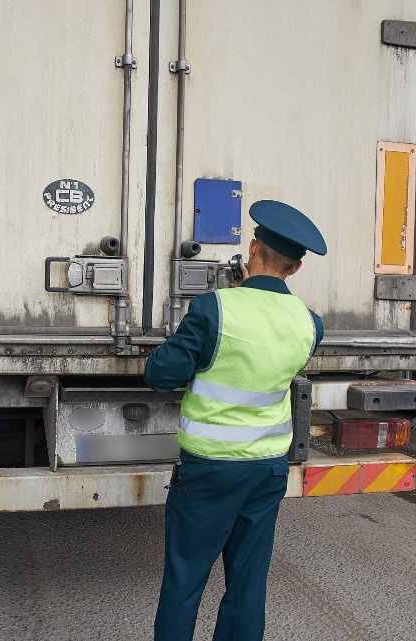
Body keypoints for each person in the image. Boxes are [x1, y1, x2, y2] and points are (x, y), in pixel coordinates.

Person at [145, 200, 328, 641]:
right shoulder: (310, 324)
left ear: (251, 248)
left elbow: (160, 376)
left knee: (184, 585)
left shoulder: (214, 309)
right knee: (247, 587)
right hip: (267, 470)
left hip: (209, 469)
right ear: (297, 269)